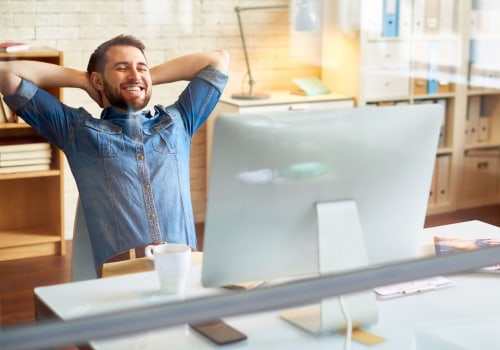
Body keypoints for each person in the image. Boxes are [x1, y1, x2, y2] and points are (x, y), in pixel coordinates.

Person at [0, 34, 230, 274]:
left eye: (142, 67)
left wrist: (140, 79)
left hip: (186, 268)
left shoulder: (179, 121)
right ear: (98, 81)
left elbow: (218, 60)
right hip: (123, 274)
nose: (134, 73)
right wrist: (84, 79)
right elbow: (5, 74)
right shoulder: (77, 131)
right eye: (121, 68)